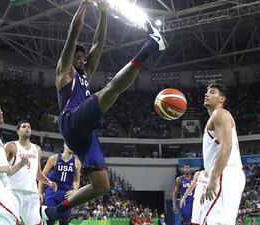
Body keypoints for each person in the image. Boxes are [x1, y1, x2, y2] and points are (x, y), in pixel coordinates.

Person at [41, 0, 167, 223]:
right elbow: (74, 32)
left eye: (83, 57)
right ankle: (150, 46)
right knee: (110, 90)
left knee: (102, 185)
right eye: (77, 57)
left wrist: (104, 12)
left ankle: (56, 210)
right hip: (71, 119)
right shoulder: (64, 71)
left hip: (84, 133)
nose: (81, 59)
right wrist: (84, 4)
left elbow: (98, 44)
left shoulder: (84, 74)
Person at [200, 83, 245, 225]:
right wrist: (210, 179)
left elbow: (226, 146)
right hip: (223, 174)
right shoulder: (215, 117)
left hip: (224, 174)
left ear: (221, 99)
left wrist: (213, 179)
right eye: (207, 92)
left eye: (212, 92)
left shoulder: (220, 113)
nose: (207, 94)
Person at [5, 120, 57, 225]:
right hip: (13, 192)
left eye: (29, 126)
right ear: (18, 131)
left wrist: (48, 182)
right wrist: (19, 165)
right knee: (12, 222)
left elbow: (37, 173)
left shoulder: (37, 149)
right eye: (24, 127)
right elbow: (2, 171)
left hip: (31, 193)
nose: (27, 128)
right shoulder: (11, 146)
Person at [39, 144, 82, 225]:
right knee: (50, 219)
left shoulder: (77, 163)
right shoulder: (53, 158)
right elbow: (42, 176)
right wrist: (40, 192)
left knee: (64, 221)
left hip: (66, 195)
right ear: (65, 144)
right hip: (52, 193)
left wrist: (75, 190)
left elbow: (76, 180)